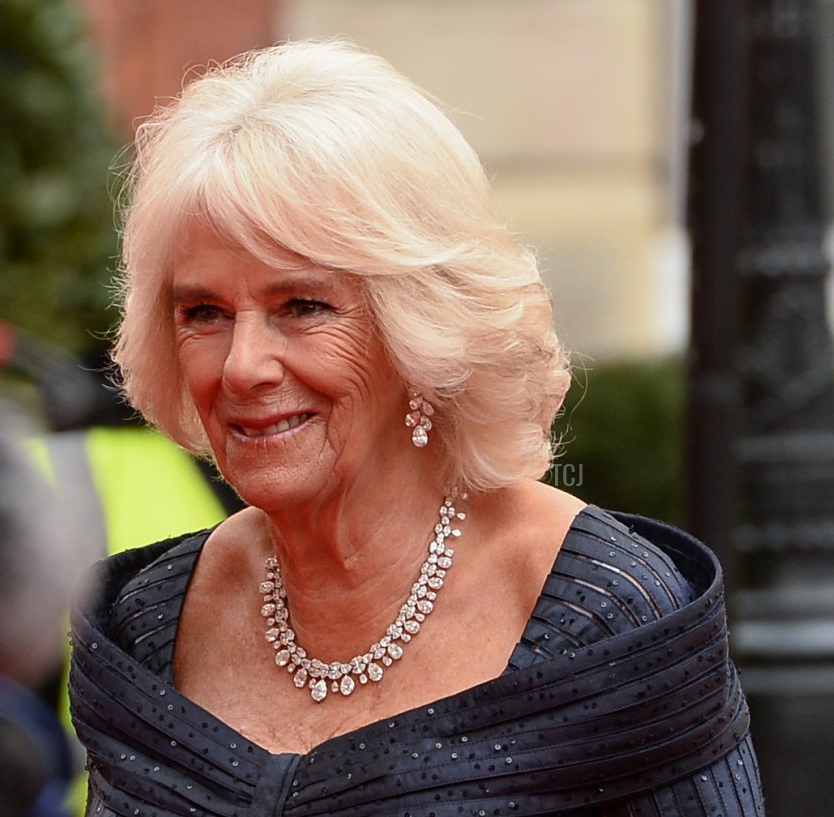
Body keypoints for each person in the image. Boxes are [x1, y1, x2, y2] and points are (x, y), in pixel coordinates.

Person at [68, 38, 765, 817]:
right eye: (205, 312)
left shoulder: (604, 614)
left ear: (420, 327)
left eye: (302, 306)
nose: (242, 365)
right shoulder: (151, 621)